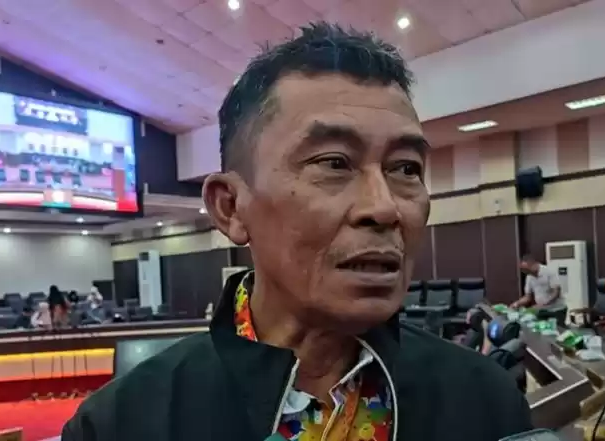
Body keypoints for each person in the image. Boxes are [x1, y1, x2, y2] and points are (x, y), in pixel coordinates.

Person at [63, 23, 532, 441]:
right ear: (231, 207)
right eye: (334, 163)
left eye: (406, 168)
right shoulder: (121, 424)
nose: (384, 208)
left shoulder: (485, 400)